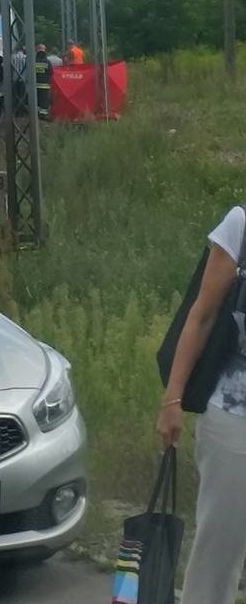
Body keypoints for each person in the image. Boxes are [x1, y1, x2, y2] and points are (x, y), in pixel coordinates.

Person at [157, 205, 246, 604]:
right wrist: (172, 400)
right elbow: (202, 316)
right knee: (219, 554)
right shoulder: (241, 225)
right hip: (234, 420)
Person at [35, 43, 51, 120]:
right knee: (44, 101)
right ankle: (43, 115)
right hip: (45, 85)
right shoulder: (47, 62)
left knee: (37, 100)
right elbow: (51, 72)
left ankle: (37, 114)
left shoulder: (34, 62)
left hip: (35, 85)